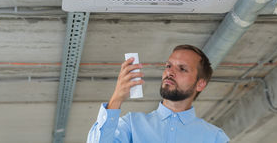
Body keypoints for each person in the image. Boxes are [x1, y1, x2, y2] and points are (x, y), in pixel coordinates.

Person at [87, 44, 229, 143]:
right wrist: (116, 98)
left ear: (200, 84)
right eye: (168, 66)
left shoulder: (215, 138)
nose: (170, 72)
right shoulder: (131, 125)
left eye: (182, 69)